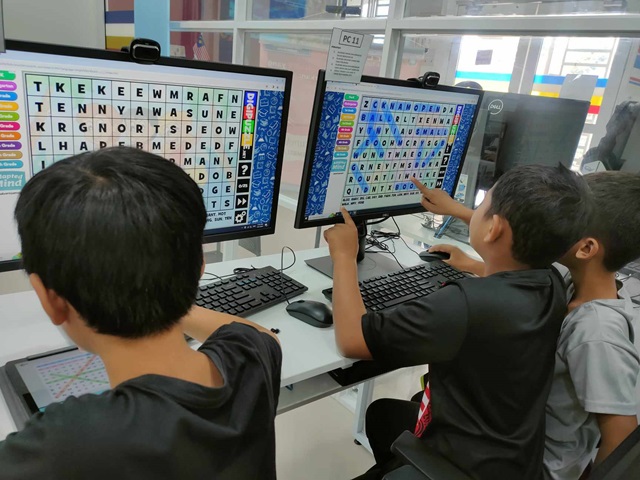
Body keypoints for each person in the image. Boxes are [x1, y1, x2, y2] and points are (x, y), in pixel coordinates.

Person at [0, 147, 282, 480]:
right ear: (199, 268)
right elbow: (261, 335)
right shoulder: (252, 358)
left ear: (51, 301)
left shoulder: (66, 444)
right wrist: (168, 295)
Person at [324, 164, 594, 480]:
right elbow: (511, 258)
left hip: (463, 467)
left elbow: (353, 340)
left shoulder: (467, 304)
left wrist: (344, 255)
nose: (474, 212)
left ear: (494, 228)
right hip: (509, 458)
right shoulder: (552, 281)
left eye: (482, 205)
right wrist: (462, 228)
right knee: (383, 414)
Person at [425, 171, 640, 479]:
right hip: (516, 431)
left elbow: (620, 439)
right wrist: (467, 250)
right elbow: (525, 243)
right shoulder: (574, 279)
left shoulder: (598, 334)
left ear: (586, 248)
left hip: (530, 467)